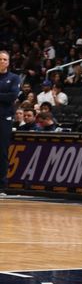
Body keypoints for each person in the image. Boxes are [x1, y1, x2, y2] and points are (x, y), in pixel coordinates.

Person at [0, 51, 21, 195]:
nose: (2, 61)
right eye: (0, 59)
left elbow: (12, 96)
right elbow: (6, 96)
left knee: (2, 152)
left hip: (4, 118)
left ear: (8, 62)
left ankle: (1, 186)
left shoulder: (14, 78)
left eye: (4, 59)